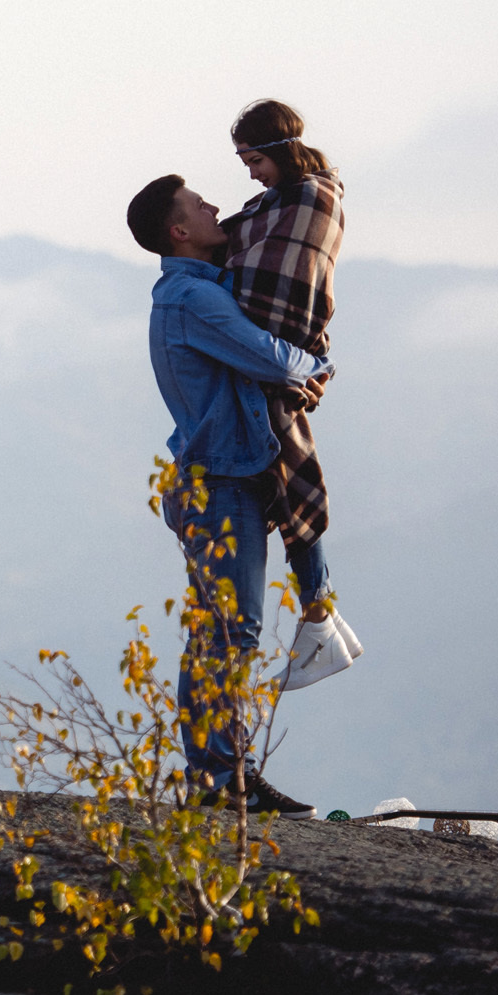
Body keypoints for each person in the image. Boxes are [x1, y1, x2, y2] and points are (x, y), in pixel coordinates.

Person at [125, 172, 332, 817]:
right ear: (179, 231)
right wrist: (317, 364)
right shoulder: (191, 299)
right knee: (228, 634)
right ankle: (220, 779)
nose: (216, 205)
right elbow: (270, 358)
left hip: (222, 479)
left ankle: (222, 773)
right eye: (198, 205)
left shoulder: (204, 290)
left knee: (224, 632)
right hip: (216, 487)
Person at [221, 100, 342, 632]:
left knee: (290, 476)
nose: (250, 173)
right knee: (286, 476)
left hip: (287, 352)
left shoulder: (316, 198)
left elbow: (300, 269)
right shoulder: (268, 204)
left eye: (253, 161)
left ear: (274, 149)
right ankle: (318, 612)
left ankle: (318, 610)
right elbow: (240, 245)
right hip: (278, 359)